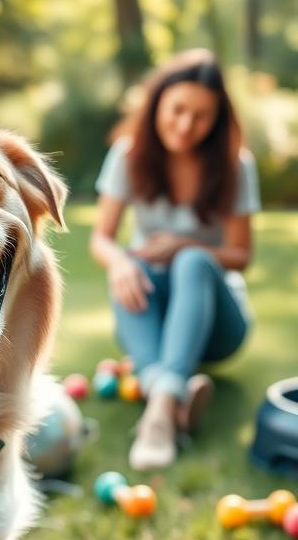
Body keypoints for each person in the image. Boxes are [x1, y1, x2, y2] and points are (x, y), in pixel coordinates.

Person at [90, 49, 261, 470]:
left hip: (220, 325)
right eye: (178, 110)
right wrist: (120, 263)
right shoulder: (129, 156)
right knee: (134, 263)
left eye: (201, 116)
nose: (186, 126)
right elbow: (102, 239)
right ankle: (170, 400)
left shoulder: (236, 166)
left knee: (193, 262)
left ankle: (156, 416)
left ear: (218, 119)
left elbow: (241, 256)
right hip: (154, 316)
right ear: (157, 105)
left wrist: (184, 244)